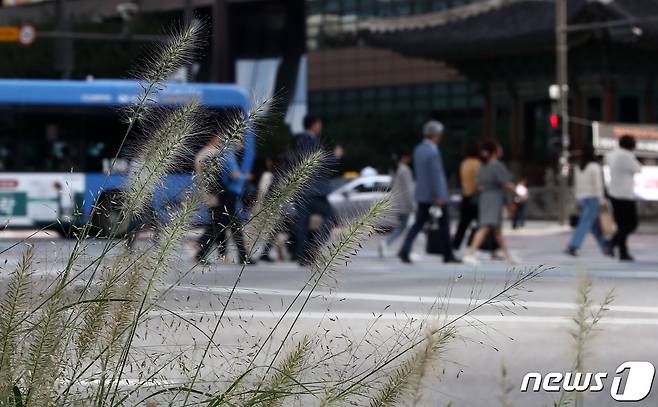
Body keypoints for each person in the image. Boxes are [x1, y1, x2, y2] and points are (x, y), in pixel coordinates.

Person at [397, 120, 460, 264]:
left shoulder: (418, 149)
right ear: (435, 135)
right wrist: (440, 195)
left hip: (422, 194)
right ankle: (448, 254)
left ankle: (405, 249)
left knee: (418, 224)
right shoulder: (433, 151)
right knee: (444, 225)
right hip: (435, 195)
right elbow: (436, 174)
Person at [293, 115, 343, 265]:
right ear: (314, 125)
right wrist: (335, 157)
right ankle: (312, 248)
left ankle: (302, 256)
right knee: (331, 217)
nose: (320, 127)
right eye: (319, 123)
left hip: (301, 189)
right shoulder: (312, 141)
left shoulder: (299, 141)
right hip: (315, 190)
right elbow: (319, 164)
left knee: (303, 224)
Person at [195, 137, 252, 265]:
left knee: (220, 225)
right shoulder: (213, 154)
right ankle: (242, 256)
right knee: (226, 226)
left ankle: (203, 252)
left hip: (215, 195)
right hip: (222, 195)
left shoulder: (204, 154)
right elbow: (216, 177)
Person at [463, 140, 516, 266]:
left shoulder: (482, 165)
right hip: (494, 198)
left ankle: (508, 255)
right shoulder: (496, 165)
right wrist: (519, 193)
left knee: (496, 229)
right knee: (485, 227)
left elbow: (478, 183)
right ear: (495, 151)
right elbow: (506, 182)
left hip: (485, 197)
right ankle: (470, 253)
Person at [565, 146, 610, 257]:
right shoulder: (594, 167)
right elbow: (598, 185)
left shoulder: (579, 167)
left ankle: (605, 246)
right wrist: (601, 199)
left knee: (594, 226)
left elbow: (576, 185)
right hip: (592, 198)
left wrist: (577, 198)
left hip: (581, 198)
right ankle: (573, 246)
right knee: (584, 223)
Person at [606, 135, 642, 261]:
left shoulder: (612, 154)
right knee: (632, 224)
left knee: (621, 224)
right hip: (625, 194)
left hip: (613, 192)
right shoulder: (625, 156)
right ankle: (612, 242)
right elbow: (638, 168)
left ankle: (623, 252)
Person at [378, 149, 415, 258]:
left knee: (402, 227)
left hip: (397, 203)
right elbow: (409, 189)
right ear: (404, 157)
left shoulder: (395, 169)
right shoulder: (405, 170)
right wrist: (413, 205)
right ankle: (406, 250)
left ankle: (386, 244)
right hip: (405, 204)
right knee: (409, 228)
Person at [452, 141, 481, 250]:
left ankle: (455, 245)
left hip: (465, 196)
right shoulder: (477, 163)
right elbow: (478, 181)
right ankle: (477, 245)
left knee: (463, 224)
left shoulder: (464, 163)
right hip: (475, 197)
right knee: (483, 224)